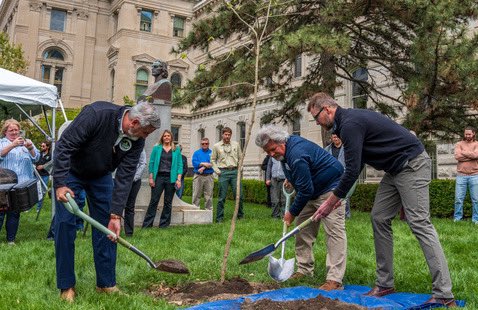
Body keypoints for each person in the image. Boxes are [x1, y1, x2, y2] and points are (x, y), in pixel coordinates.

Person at [308, 92, 456, 307]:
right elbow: (356, 165)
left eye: (316, 117)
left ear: (328, 110)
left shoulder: (350, 124)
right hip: (394, 170)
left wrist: (331, 201)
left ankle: (444, 293)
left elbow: (351, 171)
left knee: (420, 223)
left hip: (412, 164)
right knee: (378, 217)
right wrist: (341, 195)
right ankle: (385, 283)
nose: (316, 122)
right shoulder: (345, 124)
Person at [52, 100, 161, 302]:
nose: (145, 137)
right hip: (71, 173)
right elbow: (64, 146)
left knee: (108, 230)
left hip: (101, 175)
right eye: (146, 132)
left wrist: (116, 213)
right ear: (135, 122)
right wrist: (59, 183)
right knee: (65, 224)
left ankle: (106, 283)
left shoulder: (136, 140)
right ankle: (66, 286)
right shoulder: (97, 114)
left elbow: (126, 175)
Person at [255, 125, 346, 291]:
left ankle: (334, 279)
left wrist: (291, 213)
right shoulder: (285, 151)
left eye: (273, 149)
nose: (271, 155)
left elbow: (305, 190)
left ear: (281, 141)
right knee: (302, 231)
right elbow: (297, 172)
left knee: (334, 233)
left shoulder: (296, 154)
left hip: (330, 190)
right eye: (267, 152)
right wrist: (292, 178)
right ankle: (304, 270)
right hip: (311, 190)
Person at [0, 119, 40, 245]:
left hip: (20, 185)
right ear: (5, 132)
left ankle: (11, 239)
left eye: (16, 130)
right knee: (1, 213)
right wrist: (12, 145)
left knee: (14, 212)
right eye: (11, 130)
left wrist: (31, 148)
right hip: (3, 184)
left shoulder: (26, 143)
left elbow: (36, 158)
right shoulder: (1, 143)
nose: (14, 132)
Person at [142, 130, 183, 228]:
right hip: (159, 177)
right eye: (165, 136)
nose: (166, 137)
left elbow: (179, 165)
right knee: (154, 201)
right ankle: (147, 225)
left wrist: (178, 179)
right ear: (162, 138)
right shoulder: (157, 148)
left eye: (168, 136)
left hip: (171, 178)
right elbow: (151, 163)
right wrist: (151, 178)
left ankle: (164, 225)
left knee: (168, 202)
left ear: (171, 137)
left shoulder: (176, 149)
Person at [211, 127, 244, 222]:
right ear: (222, 135)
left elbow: (240, 157)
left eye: (229, 135)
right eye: (225, 134)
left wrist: (240, 169)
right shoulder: (216, 146)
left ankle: (240, 215)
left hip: (234, 171)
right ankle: (219, 218)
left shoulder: (236, 145)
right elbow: (212, 160)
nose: (227, 136)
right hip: (223, 172)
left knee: (239, 195)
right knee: (222, 197)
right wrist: (217, 171)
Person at [453, 126, 478, 224]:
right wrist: (471, 156)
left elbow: (476, 155)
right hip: (461, 175)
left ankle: (476, 219)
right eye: (466, 134)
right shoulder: (459, 144)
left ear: (473, 134)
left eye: (469, 134)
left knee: (476, 199)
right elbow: (457, 156)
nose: (467, 136)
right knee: (458, 199)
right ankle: (457, 219)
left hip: (475, 175)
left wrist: (463, 153)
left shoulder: (477, 144)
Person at [325, 134, 352, 219]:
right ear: (331, 138)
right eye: (334, 137)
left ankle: (346, 214)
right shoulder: (327, 149)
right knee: (332, 193)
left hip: (344, 173)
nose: (336, 139)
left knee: (345, 194)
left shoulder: (346, 148)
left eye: (337, 137)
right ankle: (332, 213)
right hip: (332, 174)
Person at [123, 149, 147, 236]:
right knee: (115, 205)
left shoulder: (140, 147)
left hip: (134, 181)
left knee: (130, 206)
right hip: (120, 179)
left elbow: (143, 163)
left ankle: (129, 233)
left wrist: (134, 178)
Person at [192, 138, 214, 210]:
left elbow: (213, 163)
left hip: (209, 176)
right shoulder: (196, 153)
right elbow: (195, 163)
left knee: (209, 195)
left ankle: (208, 212)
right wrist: (204, 163)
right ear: (201, 144)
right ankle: (195, 210)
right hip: (198, 176)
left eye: (206, 143)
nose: (204, 145)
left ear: (208, 144)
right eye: (203, 144)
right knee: (196, 194)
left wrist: (203, 167)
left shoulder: (212, 153)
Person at [35, 140, 52, 212]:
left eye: (43, 146)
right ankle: (31, 205)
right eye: (41, 146)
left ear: (47, 147)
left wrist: (43, 166)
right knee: (35, 190)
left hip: (45, 175)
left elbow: (51, 164)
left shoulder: (50, 156)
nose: (42, 147)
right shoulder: (39, 154)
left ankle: (39, 207)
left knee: (42, 191)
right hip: (37, 174)